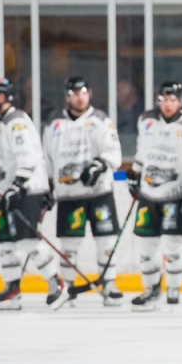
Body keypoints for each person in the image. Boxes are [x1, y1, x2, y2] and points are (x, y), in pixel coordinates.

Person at [43, 77, 124, 308]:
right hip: (69, 195)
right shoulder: (54, 124)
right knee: (69, 245)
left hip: (100, 193)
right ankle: (68, 287)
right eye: (75, 93)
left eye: (83, 92)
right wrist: (47, 187)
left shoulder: (100, 120)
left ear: (89, 94)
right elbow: (47, 160)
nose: (80, 97)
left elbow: (114, 153)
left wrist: (99, 165)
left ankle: (109, 284)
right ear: (67, 96)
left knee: (106, 241)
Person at [0, 78, 65, 311]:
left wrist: (17, 186)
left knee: (28, 240)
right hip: (8, 191)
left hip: (28, 190)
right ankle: (13, 290)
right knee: (7, 241)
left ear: (4, 98)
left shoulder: (17, 121)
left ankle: (56, 283)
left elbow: (27, 158)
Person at [126, 82, 182, 312]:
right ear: (158, 100)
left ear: (180, 101)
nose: (168, 104)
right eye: (164, 99)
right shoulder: (146, 120)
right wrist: (135, 173)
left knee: (173, 248)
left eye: (173, 100)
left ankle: (173, 292)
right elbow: (143, 151)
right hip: (149, 194)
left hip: (176, 195)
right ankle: (151, 290)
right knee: (146, 248)